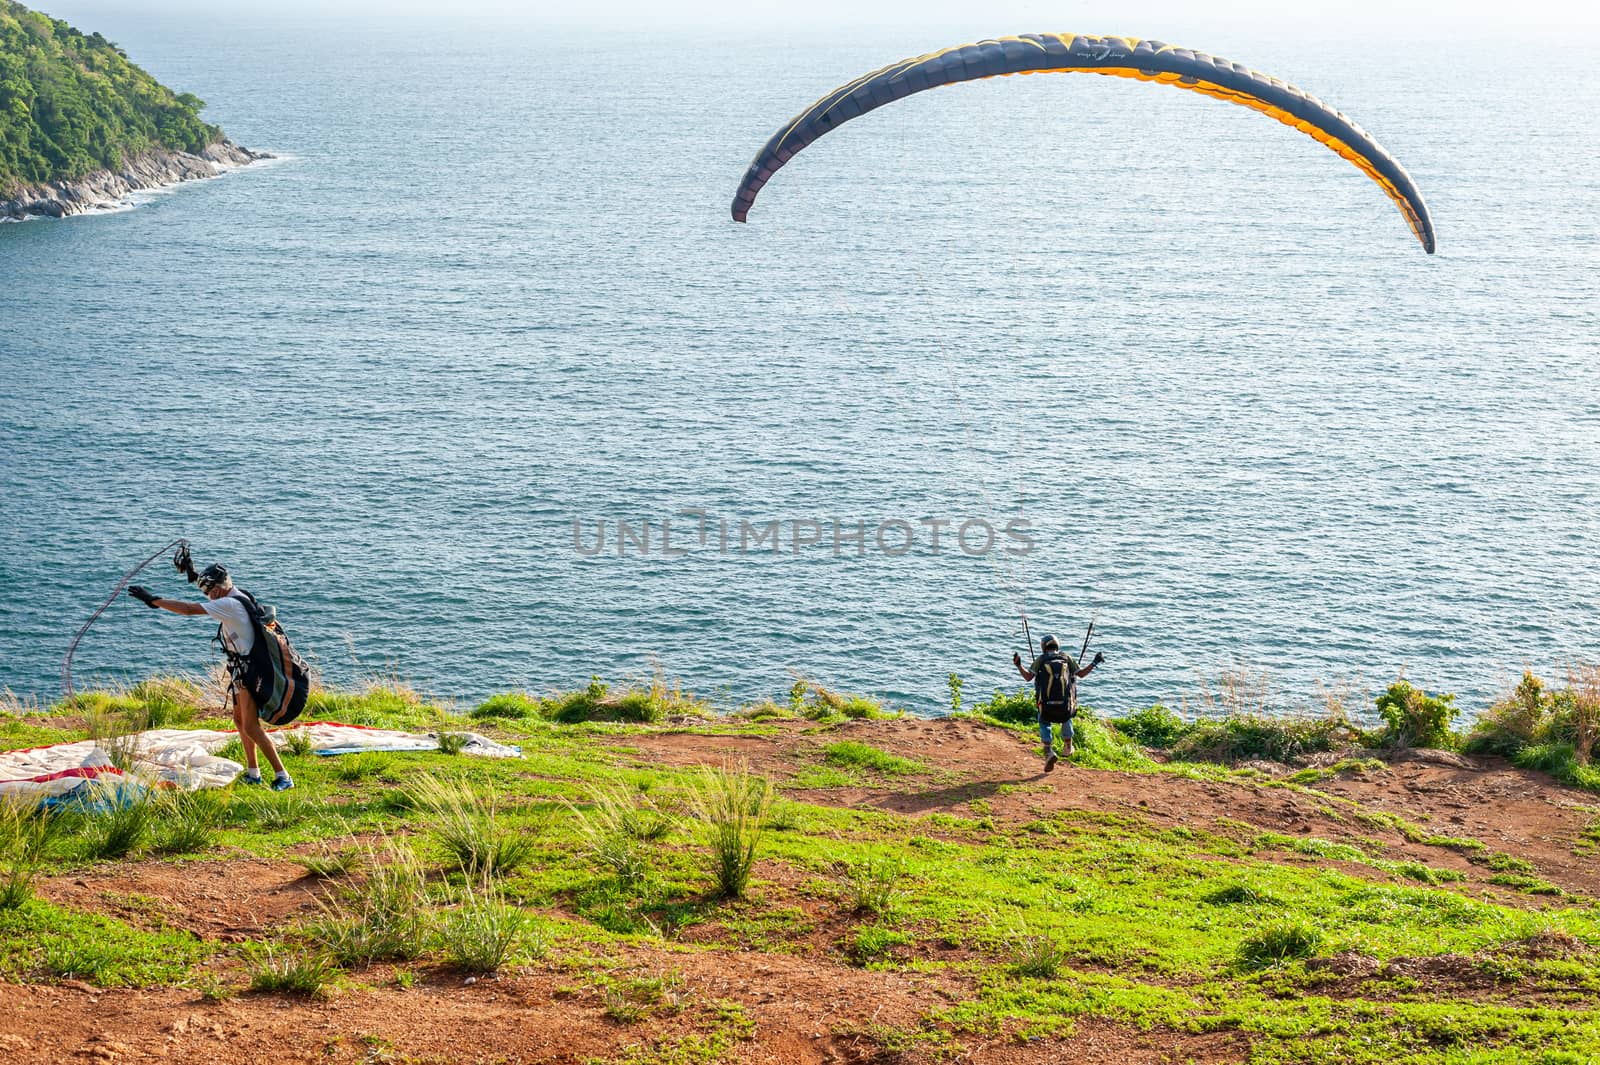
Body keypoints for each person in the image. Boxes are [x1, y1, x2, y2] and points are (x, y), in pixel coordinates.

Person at [129, 564, 294, 790]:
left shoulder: (228, 604)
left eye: (208, 592)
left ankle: (282, 775)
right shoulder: (238, 594)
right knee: (239, 721)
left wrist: (153, 600)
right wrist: (192, 572)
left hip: (248, 672)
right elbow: (212, 590)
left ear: (216, 590)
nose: (207, 596)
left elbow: (188, 609)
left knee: (251, 726)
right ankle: (253, 772)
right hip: (242, 669)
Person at [1013, 633, 1104, 772]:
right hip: (1064, 706)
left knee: (1044, 721)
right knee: (1067, 716)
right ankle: (1068, 746)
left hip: (1046, 706)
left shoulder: (1041, 659)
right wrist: (1094, 662)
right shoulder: (1066, 658)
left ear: (1043, 647)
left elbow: (1027, 677)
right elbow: (1082, 674)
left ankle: (1048, 751)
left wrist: (1019, 665)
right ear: (1057, 645)